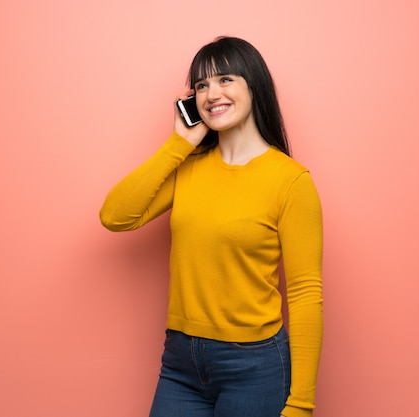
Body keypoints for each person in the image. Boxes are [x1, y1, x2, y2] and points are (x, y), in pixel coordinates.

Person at [100, 36, 323, 417]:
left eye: (225, 80)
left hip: (254, 365)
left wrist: (301, 403)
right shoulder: (187, 168)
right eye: (201, 85)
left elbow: (305, 294)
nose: (210, 93)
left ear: (255, 86)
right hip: (180, 361)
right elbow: (116, 216)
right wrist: (179, 143)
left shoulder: (291, 181)